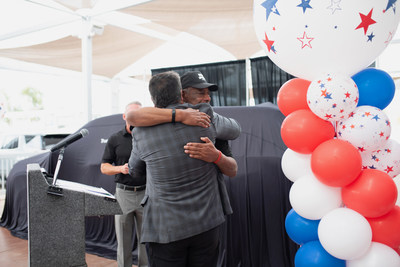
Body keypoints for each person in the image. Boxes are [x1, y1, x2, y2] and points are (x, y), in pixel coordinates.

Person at [128, 71, 241, 267]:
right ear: (181, 94)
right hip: (207, 223)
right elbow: (235, 129)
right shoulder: (205, 116)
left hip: (166, 229)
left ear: (153, 99)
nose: (206, 98)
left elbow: (135, 171)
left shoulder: (141, 131)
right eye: (200, 93)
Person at [100, 101, 148, 267]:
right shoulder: (115, 139)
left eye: (138, 114)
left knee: (146, 241)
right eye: (132, 114)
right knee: (123, 242)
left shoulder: (148, 136)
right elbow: (104, 167)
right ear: (124, 116)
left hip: (145, 194)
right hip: (123, 195)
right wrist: (121, 168)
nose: (135, 117)